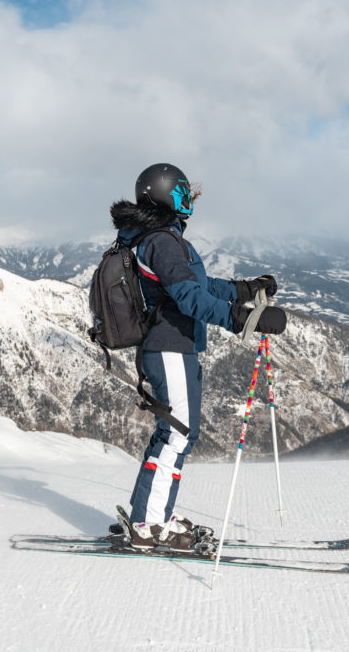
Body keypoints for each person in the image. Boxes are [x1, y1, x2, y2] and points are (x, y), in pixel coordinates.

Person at [109, 162, 287, 552]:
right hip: (169, 345)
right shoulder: (162, 241)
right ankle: (149, 525)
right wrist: (245, 319)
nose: (190, 200)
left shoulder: (156, 239)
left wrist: (243, 290)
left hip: (172, 346)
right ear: (167, 194)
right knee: (175, 434)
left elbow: (199, 285)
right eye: (184, 193)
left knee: (175, 434)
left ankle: (153, 516)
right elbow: (190, 299)